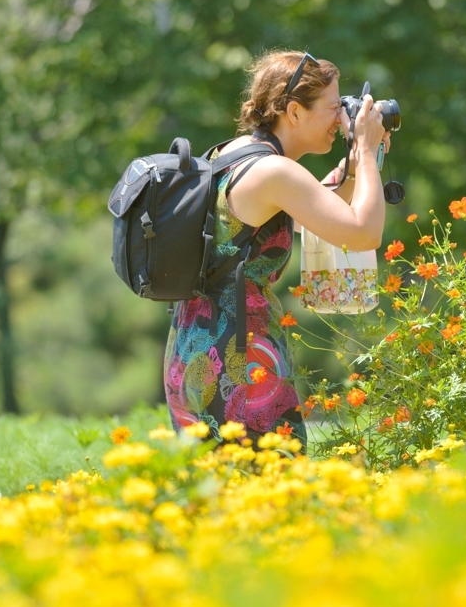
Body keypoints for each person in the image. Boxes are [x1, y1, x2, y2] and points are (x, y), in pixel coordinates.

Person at [162, 50, 390, 448]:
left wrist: (356, 164)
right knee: (273, 497)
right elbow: (362, 232)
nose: (342, 119)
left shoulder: (231, 153)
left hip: (194, 348)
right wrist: (368, 152)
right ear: (294, 112)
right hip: (241, 360)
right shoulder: (276, 172)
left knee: (218, 495)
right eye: (335, 107)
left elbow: (313, 215)